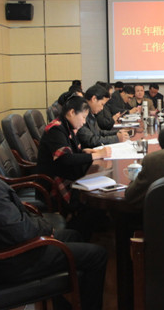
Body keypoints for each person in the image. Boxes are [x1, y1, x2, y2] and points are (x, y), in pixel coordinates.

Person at [0, 102, 107, 310]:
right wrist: (46, 228)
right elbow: (18, 230)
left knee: (73, 235)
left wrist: (42, 226)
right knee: (97, 255)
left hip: (3, 245)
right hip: (12, 260)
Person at [36, 96, 113, 238]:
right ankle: (75, 235)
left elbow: (71, 151)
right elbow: (65, 159)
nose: (84, 122)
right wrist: (96, 155)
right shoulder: (56, 129)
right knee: (92, 201)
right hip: (54, 183)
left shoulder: (67, 126)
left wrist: (84, 152)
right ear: (72, 112)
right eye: (83, 117)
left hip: (66, 174)